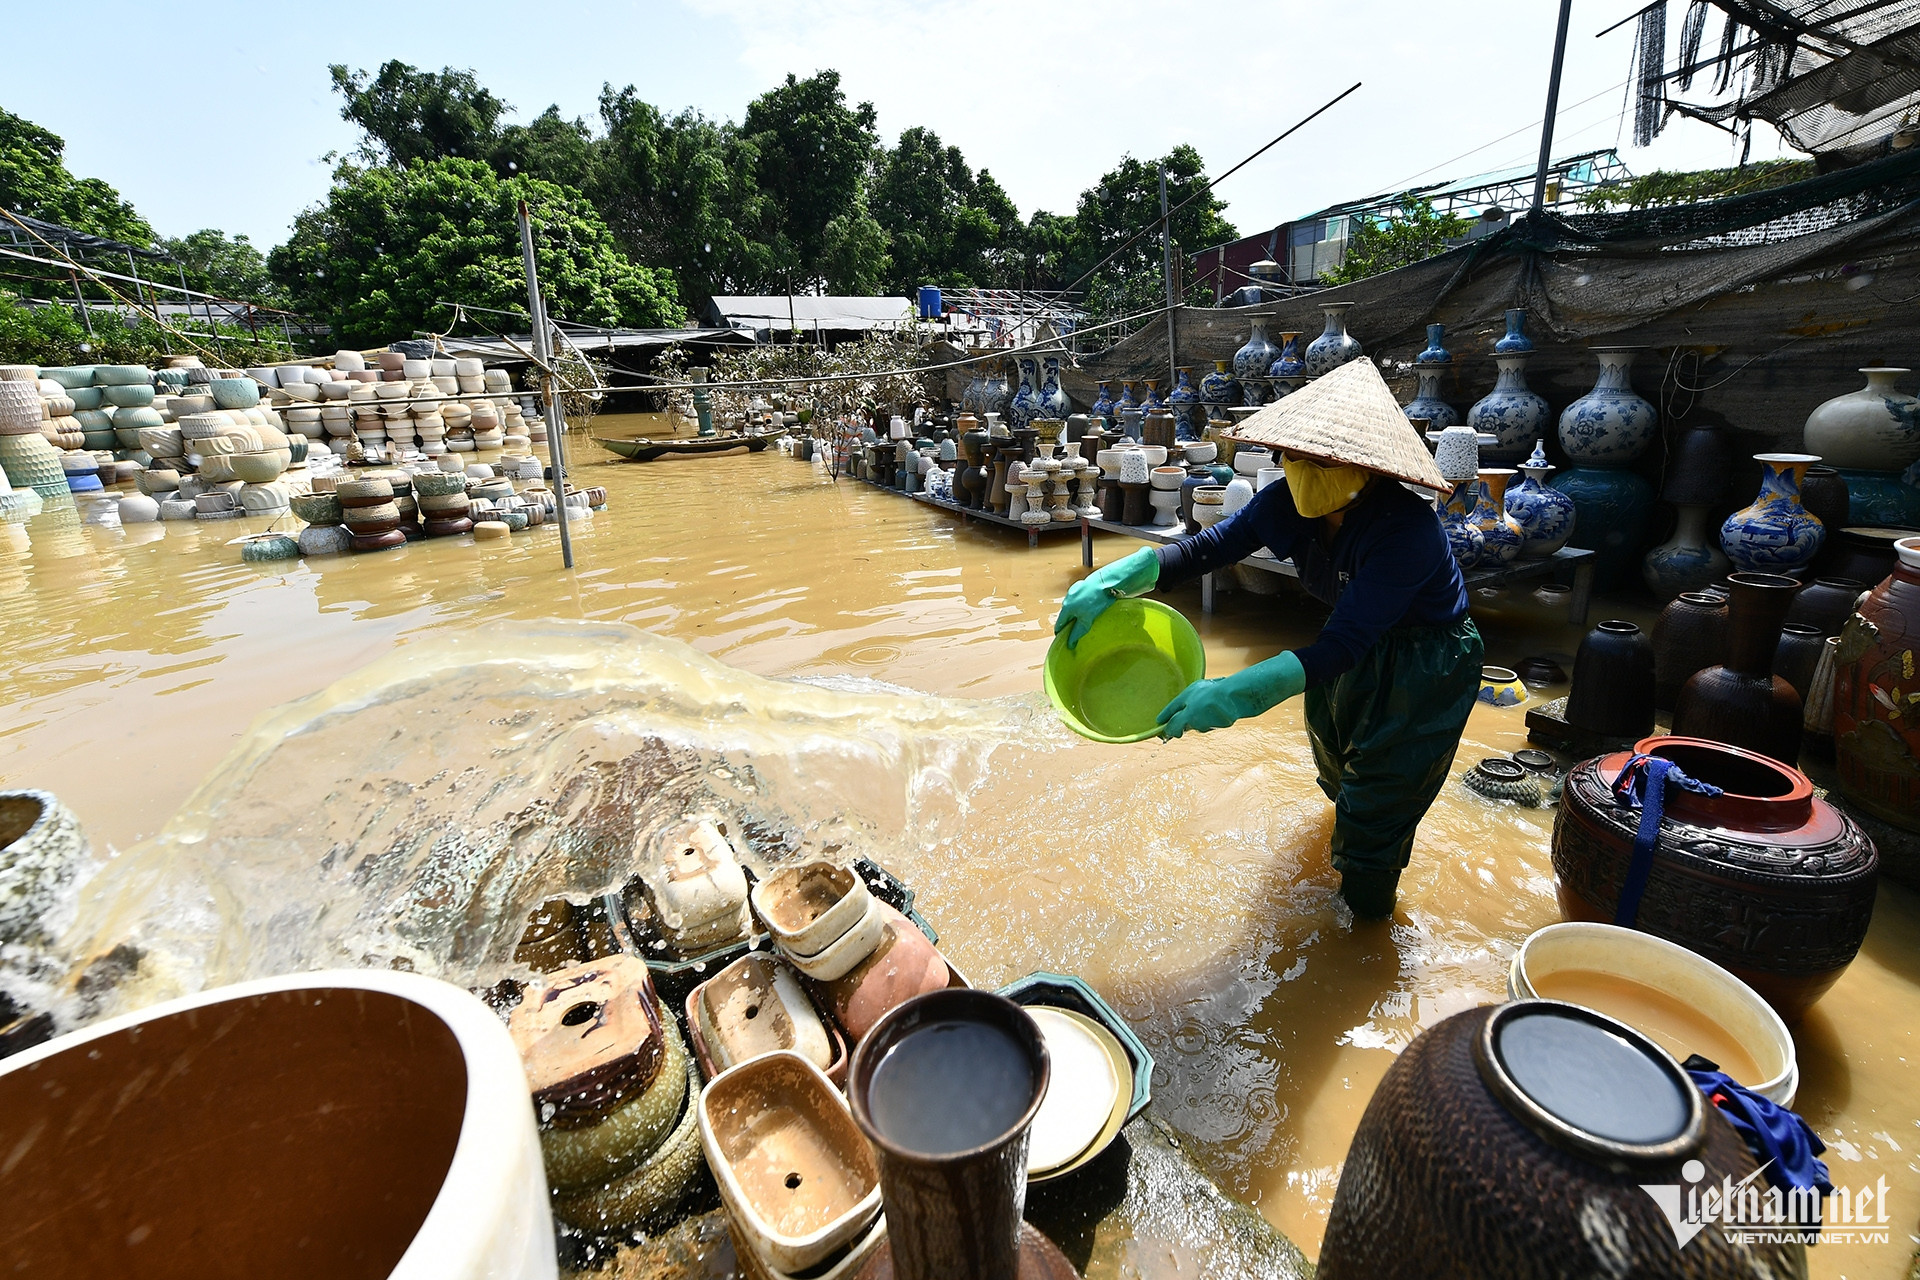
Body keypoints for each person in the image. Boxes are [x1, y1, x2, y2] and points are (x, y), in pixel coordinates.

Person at [1053, 361, 1482, 918]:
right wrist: (1112, 580)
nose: (1299, 470)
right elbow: (1207, 549)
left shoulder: (1406, 532)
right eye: (1292, 456)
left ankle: (1365, 927)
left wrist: (1236, 693)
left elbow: (1337, 649)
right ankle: (1347, 830)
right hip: (1350, 643)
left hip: (1426, 662)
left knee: (1380, 804)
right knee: (1335, 762)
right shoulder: (1287, 501)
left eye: (1319, 460)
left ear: (1363, 466)